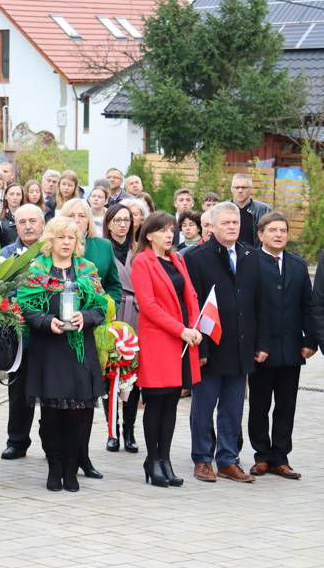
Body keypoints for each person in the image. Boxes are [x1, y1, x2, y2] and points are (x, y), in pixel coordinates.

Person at [17, 216, 108, 492]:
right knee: (52, 414)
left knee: (78, 415)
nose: (67, 242)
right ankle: (54, 467)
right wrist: (47, 322)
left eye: (72, 238)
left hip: (80, 351)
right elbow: (25, 306)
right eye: (61, 237)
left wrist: (86, 317)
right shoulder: (37, 269)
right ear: (50, 241)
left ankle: (71, 469)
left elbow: (101, 307)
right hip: (49, 350)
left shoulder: (87, 269)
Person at [184, 201, 268, 484]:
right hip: (210, 347)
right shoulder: (196, 258)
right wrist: (201, 348)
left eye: (236, 223)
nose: (232, 227)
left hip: (241, 347)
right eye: (226, 223)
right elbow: (193, 307)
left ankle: (228, 459)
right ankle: (203, 459)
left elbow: (259, 304)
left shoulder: (251, 255)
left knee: (233, 408)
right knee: (204, 407)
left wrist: (260, 343)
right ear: (213, 225)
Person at [131, 212, 202, 487]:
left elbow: (191, 295)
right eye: (162, 230)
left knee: (172, 401)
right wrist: (180, 329)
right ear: (149, 234)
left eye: (171, 230)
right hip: (160, 339)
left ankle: (165, 459)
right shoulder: (142, 261)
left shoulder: (177, 259)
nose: (169, 235)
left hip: (183, 339)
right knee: (157, 401)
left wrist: (194, 325)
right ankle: (153, 460)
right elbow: (148, 306)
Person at [248, 212, 314, 480]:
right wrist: (254, 344)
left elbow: (308, 306)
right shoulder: (250, 262)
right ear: (261, 234)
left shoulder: (298, 265)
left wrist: (310, 340)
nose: (278, 235)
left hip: (291, 349)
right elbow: (247, 308)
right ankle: (262, 455)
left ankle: (280, 457)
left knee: (287, 405)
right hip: (262, 350)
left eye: (283, 230)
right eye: (273, 230)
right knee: (260, 404)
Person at [59, 198, 122, 478]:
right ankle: (60, 455)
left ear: (89, 220)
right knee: (61, 400)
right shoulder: (52, 250)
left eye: (81, 215)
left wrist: (104, 308)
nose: (76, 219)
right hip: (60, 335)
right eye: (70, 215)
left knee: (87, 399)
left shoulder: (103, 248)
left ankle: (83, 456)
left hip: (92, 331)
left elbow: (114, 287)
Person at [0, 204, 45, 460]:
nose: (27, 226)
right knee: (19, 393)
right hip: (21, 336)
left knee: (51, 391)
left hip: (50, 334)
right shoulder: (6, 254)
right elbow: (1, 289)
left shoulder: (52, 251)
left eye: (32, 221)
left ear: (42, 224)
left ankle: (51, 441)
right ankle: (17, 440)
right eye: (22, 221)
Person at [103, 202, 141, 453]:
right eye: (117, 219)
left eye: (126, 220)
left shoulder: (139, 251)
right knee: (111, 373)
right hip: (112, 313)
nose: (122, 224)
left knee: (133, 375)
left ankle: (129, 431)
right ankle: (112, 430)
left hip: (136, 314)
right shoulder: (103, 250)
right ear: (108, 223)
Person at [231, 173, 271, 248]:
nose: (240, 190)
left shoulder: (264, 210)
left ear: (251, 189)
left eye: (244, 187)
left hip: (256, 257)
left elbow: (270, 236)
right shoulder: (222, 209)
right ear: (231, 189)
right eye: (236, 187)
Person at [0, 183, 24, 249]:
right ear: (6, 196)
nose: (15, 197)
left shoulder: (28, 217)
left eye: (18, 194)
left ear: (22, 197)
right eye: (11, 194)